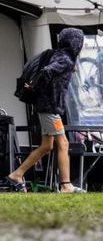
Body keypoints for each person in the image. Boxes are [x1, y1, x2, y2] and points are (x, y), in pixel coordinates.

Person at [1, 28, 86, 193]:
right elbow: (47, 71)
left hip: (46, 107)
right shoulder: (66, 59)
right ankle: (66, 185)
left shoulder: (59, 55)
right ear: (76, 43)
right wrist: (34, 87)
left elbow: (51, 70)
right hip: (50, 108)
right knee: (63, 143)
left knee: (47, 146)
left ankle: (16, 175)